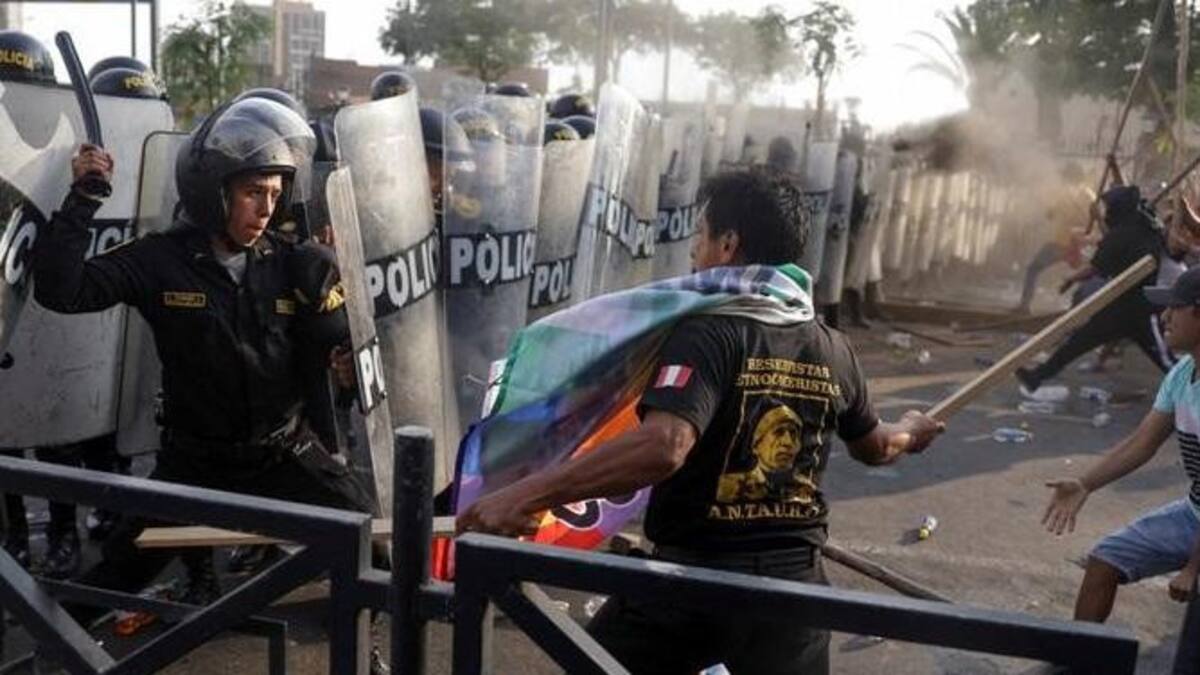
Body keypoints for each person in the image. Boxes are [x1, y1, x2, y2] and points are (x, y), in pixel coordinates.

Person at [456, 169, 944, 674]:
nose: (693, 251)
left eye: (699, 236)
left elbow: (664, 445)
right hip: (795, 595)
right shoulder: (831, 345)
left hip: (695, 587)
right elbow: (875, 446)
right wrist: (912, 430)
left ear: (728, 244)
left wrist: (525, 494)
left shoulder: (710, 332)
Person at [33, 98, 377, 625]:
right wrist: (84, 197)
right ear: (212, 190)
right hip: (194, 465)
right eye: (252, 193)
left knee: (374, 550)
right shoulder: (159, 259)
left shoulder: (290, 263)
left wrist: (342, 333)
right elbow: (63, 291)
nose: (265, 210)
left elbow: (338, 356)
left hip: (282, 455)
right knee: (99, 590)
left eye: (275, 194)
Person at [1043, 265, 1200, 628]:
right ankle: (1078, 661)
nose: (1164, 317)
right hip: (1195, 512)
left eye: (1173, 307)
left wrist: (1193, 568)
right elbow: (1142, 442)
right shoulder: (1182, 373)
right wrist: (1085, 483)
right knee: (1105, 560)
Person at [1016, 184, 1171, 393]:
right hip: (1119, 305)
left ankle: (1193, 385)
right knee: (1078, 342)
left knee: (1164, 357)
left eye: (1109, 208)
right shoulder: (1145, 226)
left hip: (1140, 308)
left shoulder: (1124, 233)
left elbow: (1095, 267)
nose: (1107, 212)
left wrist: (1070, 278)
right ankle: (1037, 376)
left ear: (1119, 208)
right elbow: (1112, 246)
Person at [1015, 163, 1095, 315]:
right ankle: (1081, 310)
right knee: (1087, 275)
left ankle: (1024, 306)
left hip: (1067, 244)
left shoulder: (1074, 196)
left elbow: (1051, 215)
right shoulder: (1084, 195)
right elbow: (1094, 220)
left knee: (1033, 269)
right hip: (1074, 244)